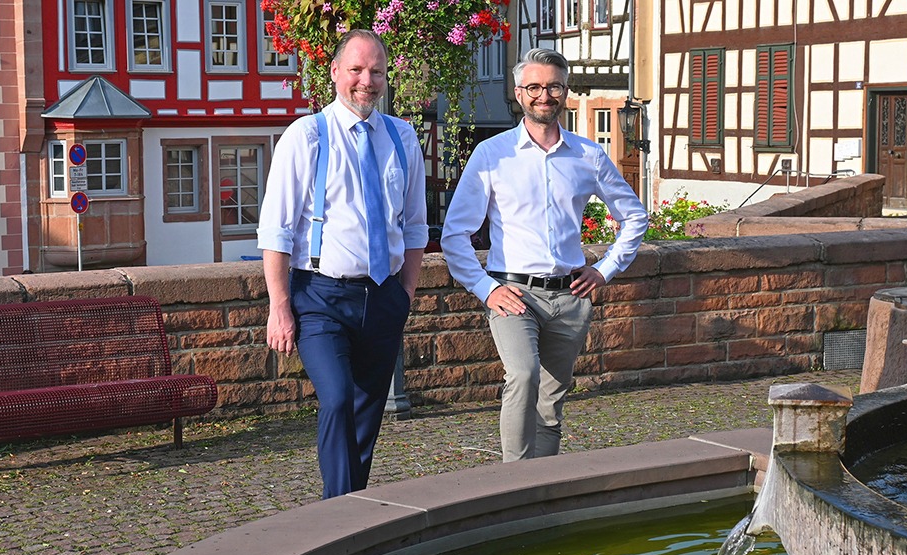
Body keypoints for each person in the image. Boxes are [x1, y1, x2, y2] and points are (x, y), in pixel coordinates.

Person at [440, 48, 649, 463]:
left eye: (553, 86)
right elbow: (454, 234)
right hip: (514, 294)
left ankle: (544, 489)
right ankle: (513, 484)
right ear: (519, 94)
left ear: (565, 91)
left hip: (571, 298)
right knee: (523, 375)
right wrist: (486, 289)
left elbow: (635, 217)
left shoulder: (588, 155)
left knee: (551, 401)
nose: (544, 95)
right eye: (534, 87)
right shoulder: (491, 154)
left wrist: (605, 270)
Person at [256, 29, 428, 498]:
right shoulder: (307, 135)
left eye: (375, 71)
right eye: (356, 69)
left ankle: (351, 506)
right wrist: (279, 306)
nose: (366, 81)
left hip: (384, 294)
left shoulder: (403, 137)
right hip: (320, 296)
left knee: (368, 411)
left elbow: (414, 226)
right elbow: (276, 229)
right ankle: (338, 517)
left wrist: (405, 293)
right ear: (334, 73)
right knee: (335, 401)